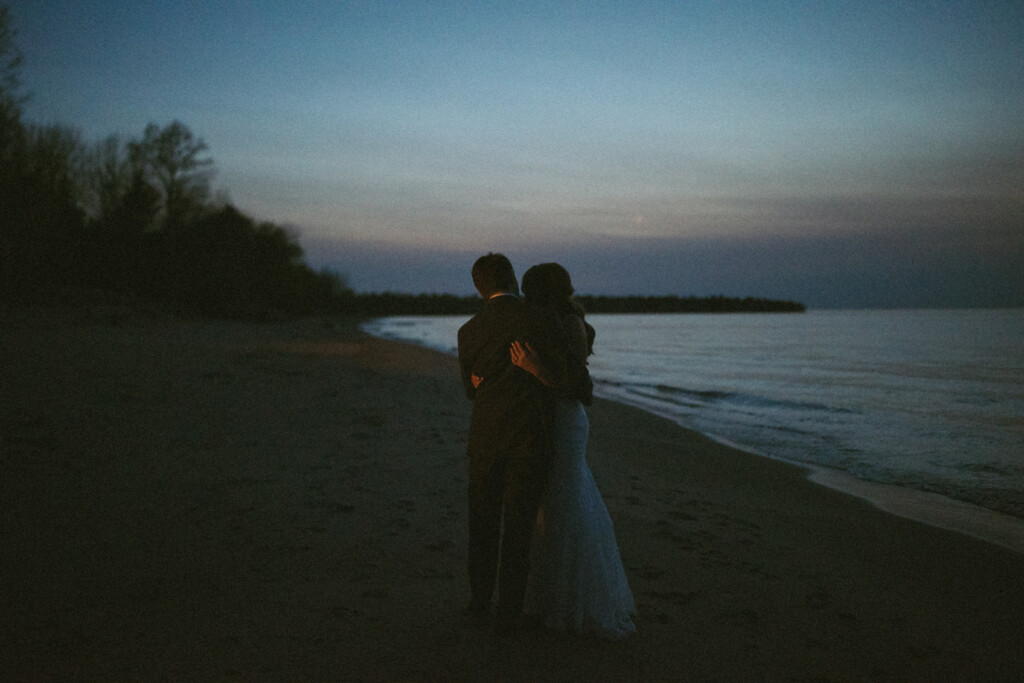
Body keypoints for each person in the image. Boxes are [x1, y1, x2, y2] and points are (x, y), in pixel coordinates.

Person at [510, 262, 637, 639]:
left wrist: (533, 368)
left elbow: (573, 386)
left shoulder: (568, 325)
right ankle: (552, 600)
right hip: (563, 421)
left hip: (566, 422)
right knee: (559, 503)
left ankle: (568, 607)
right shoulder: (563, 321)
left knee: (563, 507)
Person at [456, 253, 566, 633]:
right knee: (518, 530)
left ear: (479, 287)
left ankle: (479, 601)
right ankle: (509, 611)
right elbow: (564, 377)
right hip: (528, 439)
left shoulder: (468, 331)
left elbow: (472, 393)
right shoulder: (539, 318)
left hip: (485, 439)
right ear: (514, 279)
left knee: (482, 525)